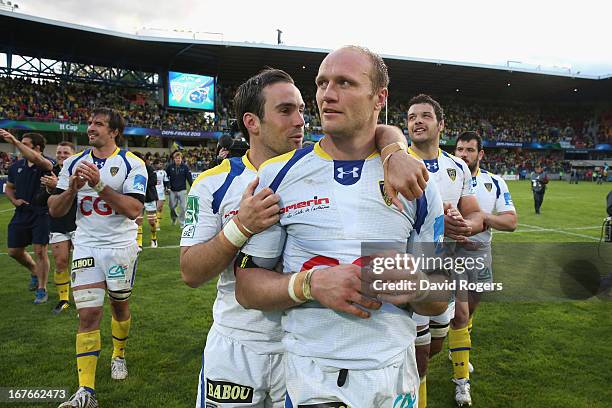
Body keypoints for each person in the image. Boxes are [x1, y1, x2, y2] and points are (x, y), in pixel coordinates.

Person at [233, 47, 448, 407]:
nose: (326, 94)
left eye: (345, 83)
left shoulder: (416, 182)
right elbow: (248, 287)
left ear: (379, 97)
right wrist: (310, 284)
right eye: (321, 83)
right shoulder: (278, 175)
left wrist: (417, 285)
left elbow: (442, 296)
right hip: (310, 376)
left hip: (391, 376)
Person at [49, 108, 147, 408]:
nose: (91, 128)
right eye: (90, 123)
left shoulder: (133, 164)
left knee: (119, 306)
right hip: (87, 245)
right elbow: (55, 209)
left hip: (120, 247)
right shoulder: (74, 163)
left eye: (99, 124)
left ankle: (119, 356)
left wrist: (99, 186)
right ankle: (86, 392)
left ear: (114, 131)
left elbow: (133, 209)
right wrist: (72, 190)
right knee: (88, 314)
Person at [406, 95, 484, 407]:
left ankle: (447, 381)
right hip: (409, 269)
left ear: (441, 125)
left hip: (445, 269)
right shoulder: (396, 162)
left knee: (434, 345)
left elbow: (475, 214)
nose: (417, 121)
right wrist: (437, 220)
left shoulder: (458, 168)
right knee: (418, 352)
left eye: (425, 115)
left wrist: (464, 225)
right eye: (412, 117)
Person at [454, 131, 517, 370]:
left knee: (469, 312)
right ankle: (459, 360)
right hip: (452, 256)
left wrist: (483, 218)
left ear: (480, 154)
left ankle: (460, 345)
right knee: (456, 313)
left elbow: (511, 222)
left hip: (481, 255)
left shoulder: (495, 182)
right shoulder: (447, 179)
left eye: (469, 150)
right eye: (459, 149)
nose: (463, 154)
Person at [1, 129, 54, 304]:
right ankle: (33, 269)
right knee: (14, 251)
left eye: (25, 145)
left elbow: (40, 161)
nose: (20, 148)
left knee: (40, 251)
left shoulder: (46, 163)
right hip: (21, 213)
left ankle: (42, 289)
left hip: (41, 213)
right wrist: (14, 200)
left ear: (37, 148)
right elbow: (9, 188)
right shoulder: (16, 166)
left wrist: (15, 142)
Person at [40, 141, 77, 314]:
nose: (61, 155)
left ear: (73, 155)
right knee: (61, 261)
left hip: (79, 223)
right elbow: (39, 200)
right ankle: (63, 299)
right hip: (57, 223)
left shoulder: (79, 171)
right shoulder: (49, 173)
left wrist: (62, 187)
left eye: (66, 153)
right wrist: (50, 189)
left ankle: (84, 293)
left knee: (82, 263)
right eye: (59, 152)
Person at [132, 153, 158, 249]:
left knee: (152, 221)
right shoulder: (132, 169)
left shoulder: (149, 169)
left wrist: (141, 183)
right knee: (138, 221)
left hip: (149, 198)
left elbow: (154, 181)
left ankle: (154, 238)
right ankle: (139, 243)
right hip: (138, 198)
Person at [166, 150, 192, 227]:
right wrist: (167, 187)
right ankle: (174, 218)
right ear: (174, 159)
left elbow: (189, 178)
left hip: (182, 190)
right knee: (172, 207)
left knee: (183, 208)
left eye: (179, 158)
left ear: (181, 159)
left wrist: (192, 187)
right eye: (176, 158)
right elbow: (166, 177)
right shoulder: (170, 167)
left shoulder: (185, 167)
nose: (178, 159)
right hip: (172, 190)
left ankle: (182, 222)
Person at [154, 160, 168, 230]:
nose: (161, 165)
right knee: (153, 208)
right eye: (159, 164)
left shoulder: (163, 172)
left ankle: (157, 224)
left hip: (161, 192)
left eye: (161, 164)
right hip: (153, 192)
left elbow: (166, 182)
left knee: (159, 208)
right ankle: (154, 222)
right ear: (156, 165)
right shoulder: (151, 171)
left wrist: (167, 188)